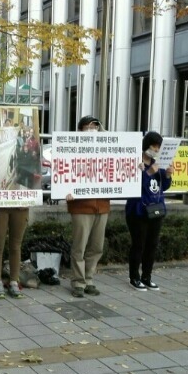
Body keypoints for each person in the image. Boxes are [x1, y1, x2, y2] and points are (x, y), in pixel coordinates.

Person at [66, 116, 109, 297]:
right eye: (88, 127)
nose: (92, 130)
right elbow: (64, 171)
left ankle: (89, 279)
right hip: (81, 206)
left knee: (97, 246)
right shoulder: (72, 150)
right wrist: (65, 189)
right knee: (80, 247)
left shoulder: (107, 149)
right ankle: (78, 282)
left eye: (95, 127)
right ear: (80, 131)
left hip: (102, 205)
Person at [125, 131, 173, 291]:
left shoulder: (158, 163)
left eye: (159, 147)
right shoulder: (135, 161)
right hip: (137, 210)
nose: (156, 150)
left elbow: (163, 187)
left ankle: (147, 276)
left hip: (156, 209)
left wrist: (167, 175)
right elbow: (132, 184)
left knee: (152, 244)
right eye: (154, 146)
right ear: (147, 145)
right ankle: (134, 277)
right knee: (138, 244)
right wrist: (148, 173)